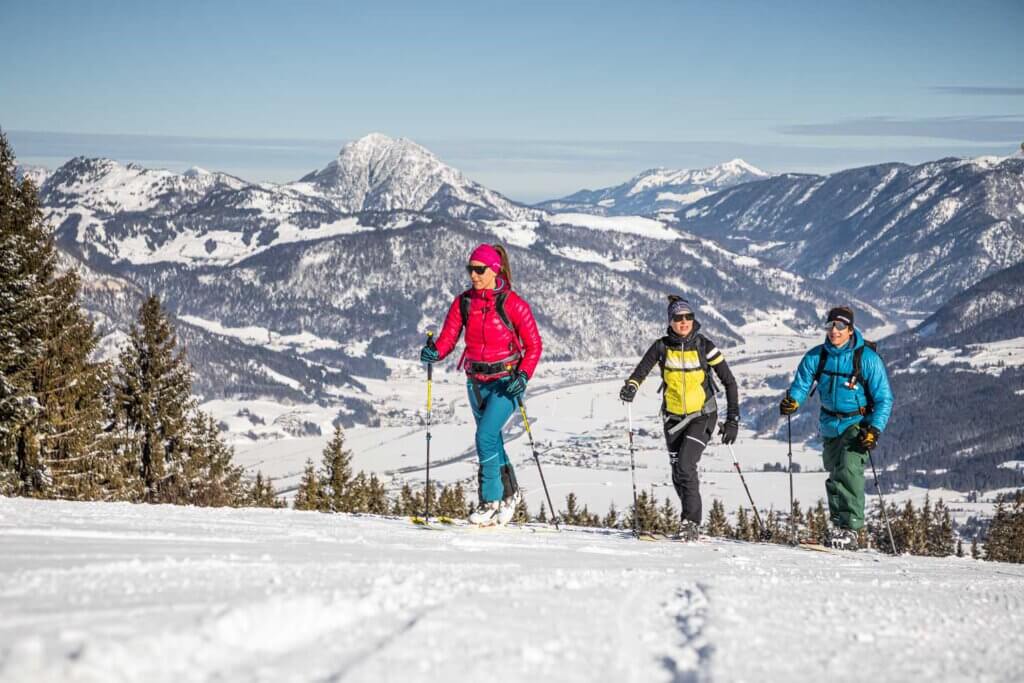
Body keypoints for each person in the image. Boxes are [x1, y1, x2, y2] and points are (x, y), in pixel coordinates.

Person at [420, 244, 542, 526]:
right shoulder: (463, 302)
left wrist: (522, 376)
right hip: (476, 382)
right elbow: (448, 339)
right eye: (470, 269)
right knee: (493, 440)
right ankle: (511, 493)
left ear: (494, 269)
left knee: (485, 437)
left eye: (479, 269)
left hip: (506, 382)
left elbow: (534, 345)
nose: (473, 275)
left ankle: (490, 501)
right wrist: (434, 353)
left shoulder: (513, 304)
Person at [618, 296, 740, 540]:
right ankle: (687, 519)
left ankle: (691, 523)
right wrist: (631, 386)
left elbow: (729, 381)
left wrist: (733, 418)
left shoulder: (705, 346)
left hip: (702, 416)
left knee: (686, 465)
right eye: (678, 318)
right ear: (670, 321)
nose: (683, 322)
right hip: (672, 417)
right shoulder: (661, 347)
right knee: (677, 472)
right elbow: (641, 371)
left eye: (688, 317)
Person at [780, 306, 893, 549]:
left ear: (850, 330)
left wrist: (874, 429)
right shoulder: (816, 356)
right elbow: (801, 384)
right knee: (834, 473)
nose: (834, 330)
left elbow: (884, 398)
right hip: (829, 423)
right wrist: (793, 401)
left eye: (840, 326)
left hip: (857, 423)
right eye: (831, 325)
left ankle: (851, 529)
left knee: (850, 470)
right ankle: (839, 526)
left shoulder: (867, 360)